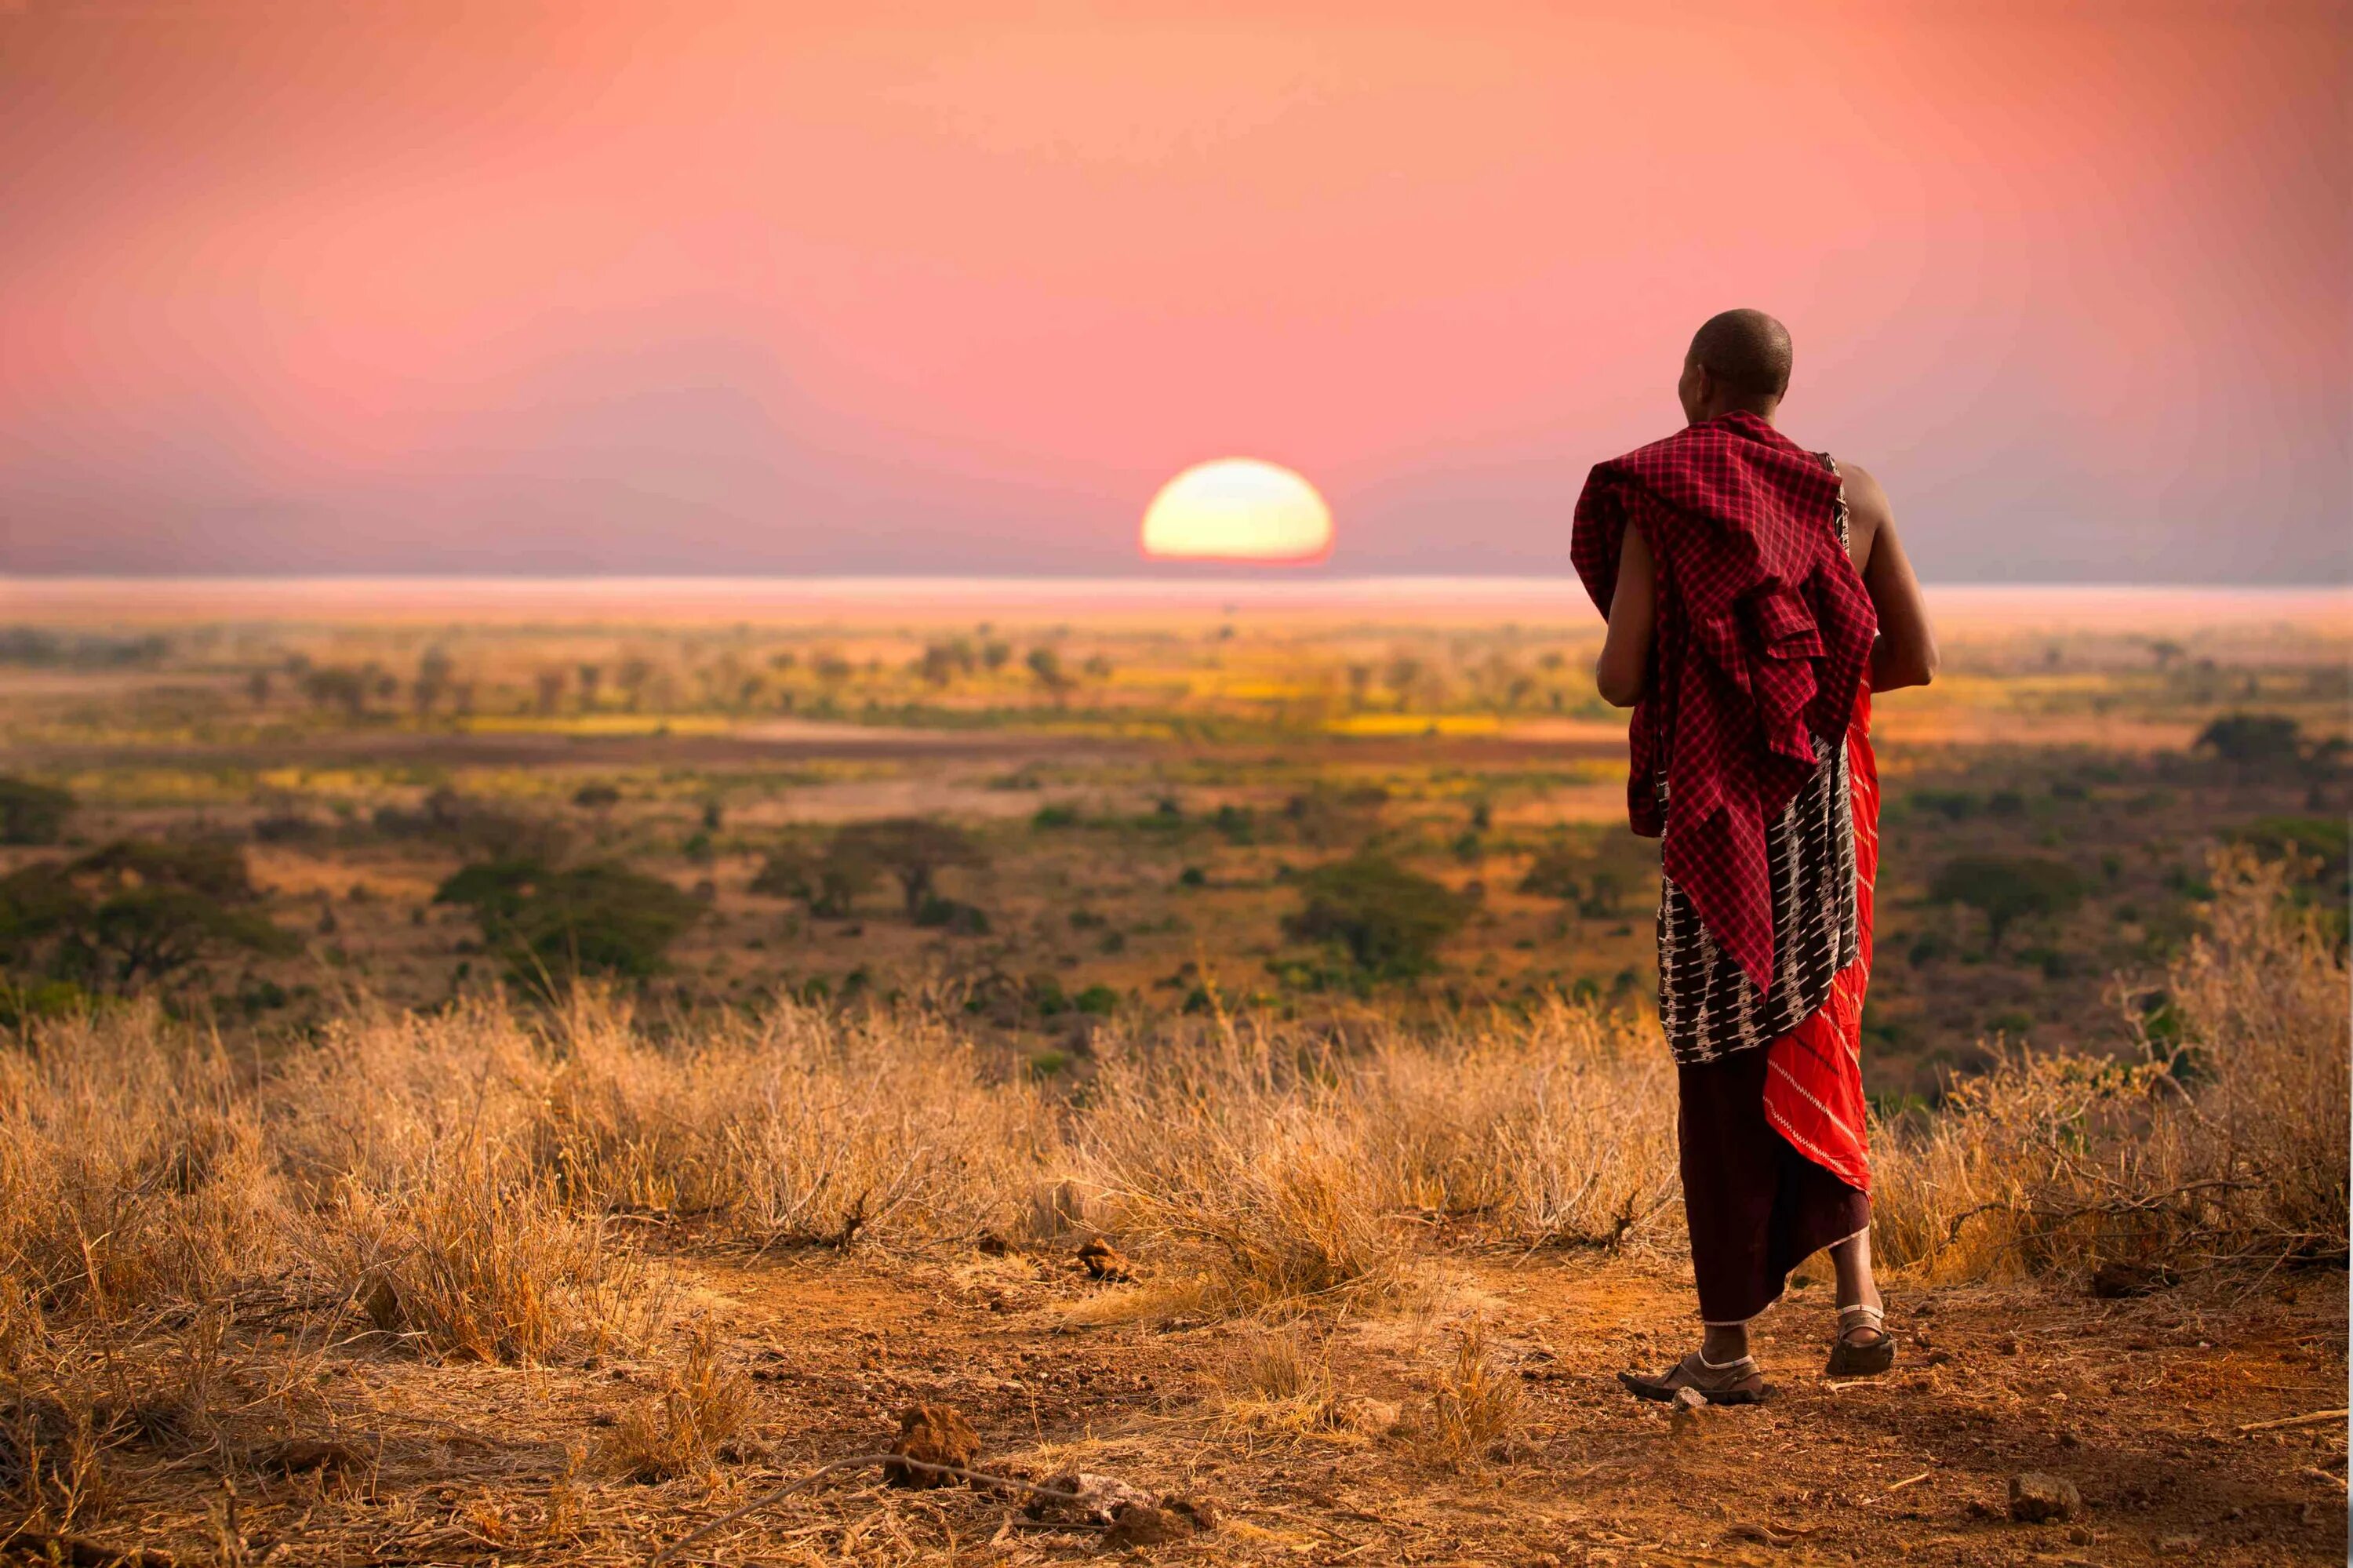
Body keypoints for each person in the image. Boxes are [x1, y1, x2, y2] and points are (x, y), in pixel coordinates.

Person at [1573, 309, 1938, 1403]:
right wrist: (1797, 696)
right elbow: (1912, 655)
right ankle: (1859, 1306)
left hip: (1718, 820)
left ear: (1695, 381)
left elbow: (1620, 676)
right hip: (1818, 809)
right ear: (1780, 388)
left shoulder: (1660, 495)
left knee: (1723, 1066)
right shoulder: (1853, 493)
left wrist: (1725, 703)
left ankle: (1727, 1351)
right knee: (1818, 1037)